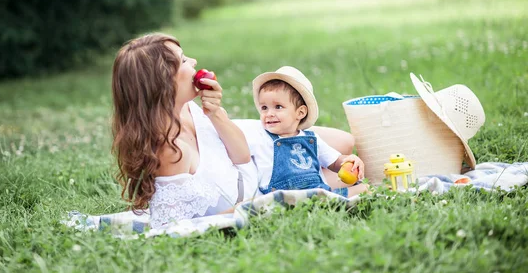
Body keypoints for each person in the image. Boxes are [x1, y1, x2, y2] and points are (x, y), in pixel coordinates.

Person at [111, 33, 362, 228]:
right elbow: (170, 227)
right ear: (165, 81)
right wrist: (252, 207)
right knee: (356, 180)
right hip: (257, 183)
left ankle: (313, 169)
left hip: (247, 151)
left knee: (345, 141)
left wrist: (216, 113)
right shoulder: (170, 151)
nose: (194, 61)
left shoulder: (188, 108)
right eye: (184, 60)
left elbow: (240, 155)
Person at [235, 66, 368, 198]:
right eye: (264, 107)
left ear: (300, 112)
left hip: (318, 192)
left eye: (278, 107)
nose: (269, 114)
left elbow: (334, 162)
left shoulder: (311, 139)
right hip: (281, 197)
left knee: (366, 189)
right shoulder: (261, 136)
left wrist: (348, 161)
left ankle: (333, 200)